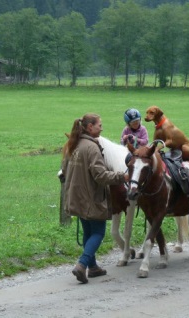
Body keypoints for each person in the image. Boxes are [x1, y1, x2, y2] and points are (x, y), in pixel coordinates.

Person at [62, 113, 129, 284]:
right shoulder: (92, 148)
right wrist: (122, 177)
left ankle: (93, 268)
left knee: (88, 232)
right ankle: (82, 264)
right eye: (99, 125)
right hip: (91, 197)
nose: (102, 128)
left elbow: (64, 171)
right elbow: (100, 175)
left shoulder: (74, 144)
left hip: (76, 197)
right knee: (98, 232)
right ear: (90, 127)